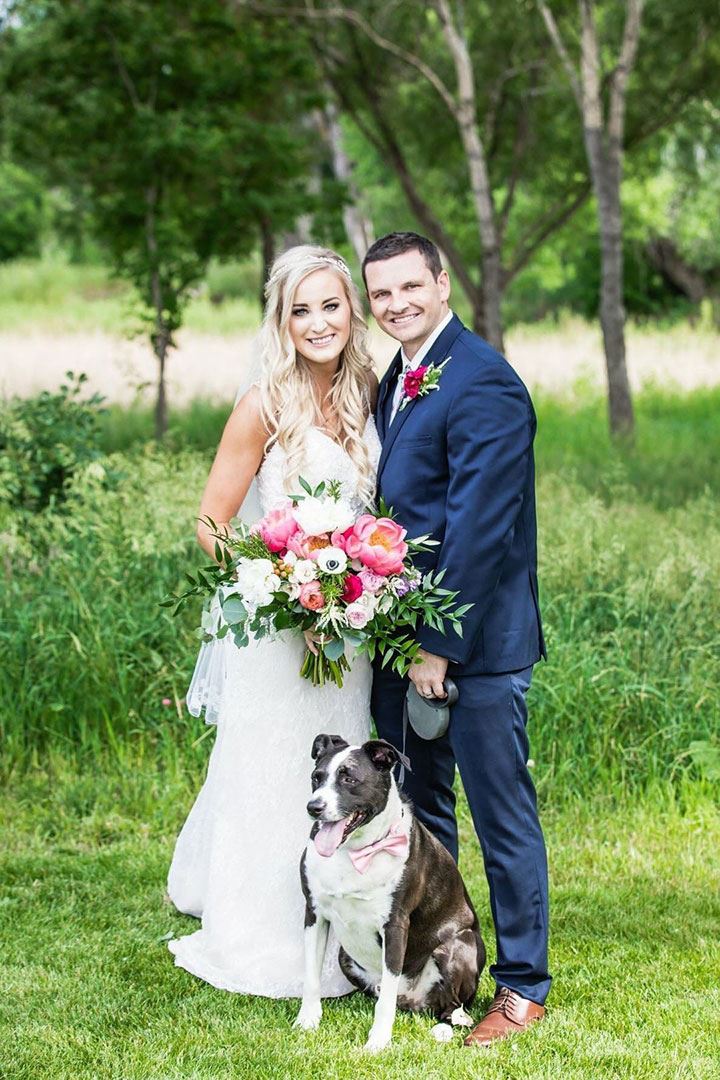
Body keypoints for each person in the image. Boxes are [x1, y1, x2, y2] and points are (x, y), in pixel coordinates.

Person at [167, 245, 380, 998]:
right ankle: (259, 928)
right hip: (279, 631)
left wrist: (347, 586)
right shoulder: (263, 403)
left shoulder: (369, 392)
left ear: (352, 311)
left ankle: (344, 925)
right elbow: (211, 521)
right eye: (301, 309)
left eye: (331, 304)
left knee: (339, 777)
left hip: (347, 634)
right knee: (270, 771)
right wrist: (282, 584)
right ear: (281, 320)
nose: (319, 322)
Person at [365, 231, 551, 1047]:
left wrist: (440, 645)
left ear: (443, 283)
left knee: (500, 811)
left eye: (411, 286)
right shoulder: (398, 377)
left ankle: (523, 989)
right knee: (423, 811)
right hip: (404, 640)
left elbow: (479, 529)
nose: (397, 304)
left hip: (475, 644)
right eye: (382, 294)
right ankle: (434, 967)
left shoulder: (484, 382)